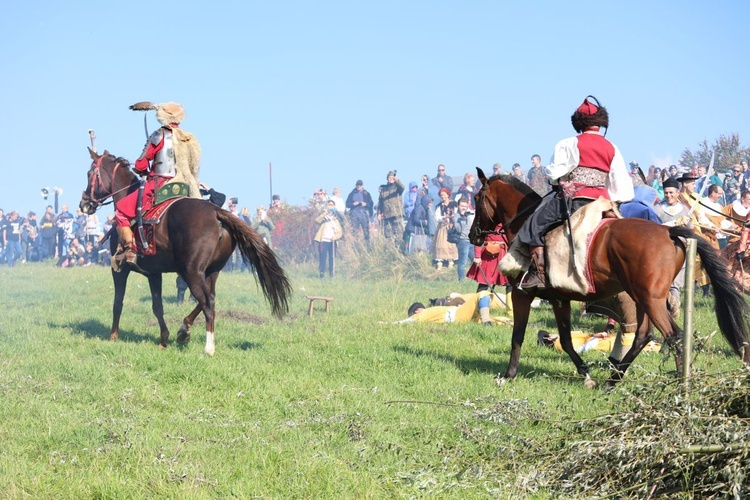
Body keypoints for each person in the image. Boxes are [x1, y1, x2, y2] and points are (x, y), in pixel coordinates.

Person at [516, 96, 634, 291]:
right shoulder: (612, 147)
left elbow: (554, 172)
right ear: (601, 122)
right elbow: (621, 183)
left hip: (575, 201)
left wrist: (557, 181)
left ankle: (539, 274)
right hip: (603, 204)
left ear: (578, 122)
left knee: (533, 225)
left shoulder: (569, 143)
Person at [115, 102, 201, 268]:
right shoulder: (188, 138)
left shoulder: (158, 135)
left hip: (160, 183)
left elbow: (141, 164)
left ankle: (131, 250)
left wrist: (140, 168)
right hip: (184, 185)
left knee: (122, 212)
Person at [466, 222, 510, 311]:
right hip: (488, 257)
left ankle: (511, 311)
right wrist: (477, 256)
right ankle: (479, 309)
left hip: (504, 255)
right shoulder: (486, 221)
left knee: (510, 284)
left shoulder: (508, 220)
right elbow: (478, 238)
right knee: (484, 284)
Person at [393, 290, 494, 326]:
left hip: (460, 313)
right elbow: (407, 321)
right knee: (482, 294)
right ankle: (486, 321)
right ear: (416, 311)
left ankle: (504, 322)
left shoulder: (427, 314)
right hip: (457, 314)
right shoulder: (420, 315)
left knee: (498, 320)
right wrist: (388, 324)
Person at [314, 200, 344, 278]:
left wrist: (335, 237)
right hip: (323, 241)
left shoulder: (336, 220)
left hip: (332, 241)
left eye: (332, 205)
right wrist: (325, 212)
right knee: (322, 258)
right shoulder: (324, 218)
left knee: (332, 259)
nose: (331, 206)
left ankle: (331, 275)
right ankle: (321, 275)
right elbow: (317, 220)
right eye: (329, 205)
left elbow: (340, 232)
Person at [433, 187, 458, 268]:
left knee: (451, 244)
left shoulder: (454, 204)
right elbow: (437, 217)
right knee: (441, 243)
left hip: (451, 226)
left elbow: (457, 214)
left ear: (448, 195)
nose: (443, 196)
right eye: (441, 195)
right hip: (443, 227)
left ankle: (451, 261)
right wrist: (443, 218)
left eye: (444, 195)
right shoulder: (439, 206)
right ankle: (440, 262)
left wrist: (452, 218)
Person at [451, 197, 475, 281]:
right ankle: (461, 280)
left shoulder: (470, 214)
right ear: (458, 206)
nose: (464, 208)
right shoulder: (456, 217)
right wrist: (463, 218)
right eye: (462, 206)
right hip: (463, 241)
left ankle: (473, 278)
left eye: (465, 206)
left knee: (475, 261)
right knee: (463, 262)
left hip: (471, 241)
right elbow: (459, 229)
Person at [377, 170, 405, 239]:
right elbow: (380, 203)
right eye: (389, 177)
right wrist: (379, 213)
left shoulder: (397, 188)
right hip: (387, 216)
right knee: (388, 235)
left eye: (392, 177)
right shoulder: (383, 190)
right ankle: (389, 248)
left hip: (397, 214)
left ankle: (399, 249)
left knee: (399, 234)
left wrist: (397, 180)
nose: (391, 179)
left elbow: (402, 187)